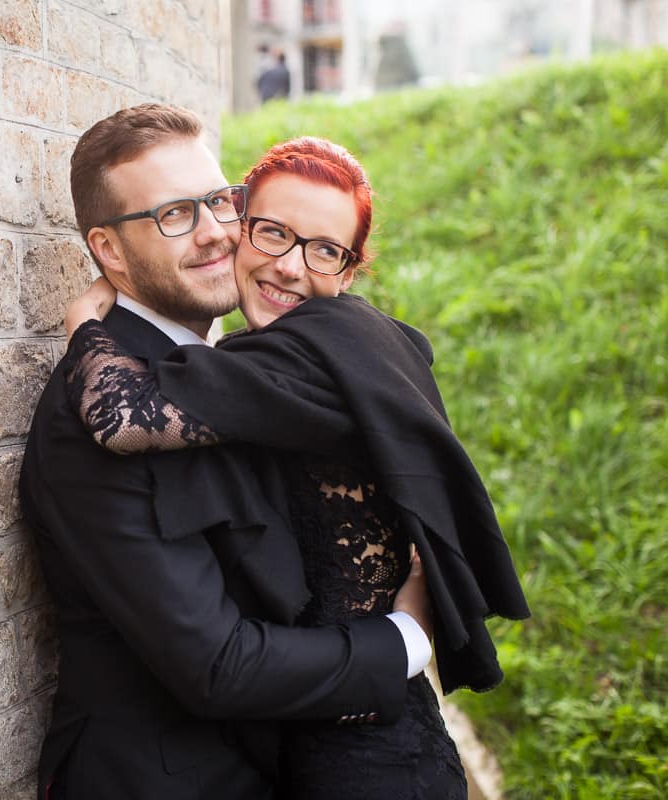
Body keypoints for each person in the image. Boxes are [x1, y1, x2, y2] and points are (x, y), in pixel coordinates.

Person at [60, 135, 531, 798]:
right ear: (241, 227)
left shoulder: (312, 355)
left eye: (325, 250)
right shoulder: (320, 355)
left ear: (348, 272)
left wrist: (84, 323)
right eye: (274, 233)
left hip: (373, 755)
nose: (289, 266)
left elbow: (122, 417)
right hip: (330, 734)